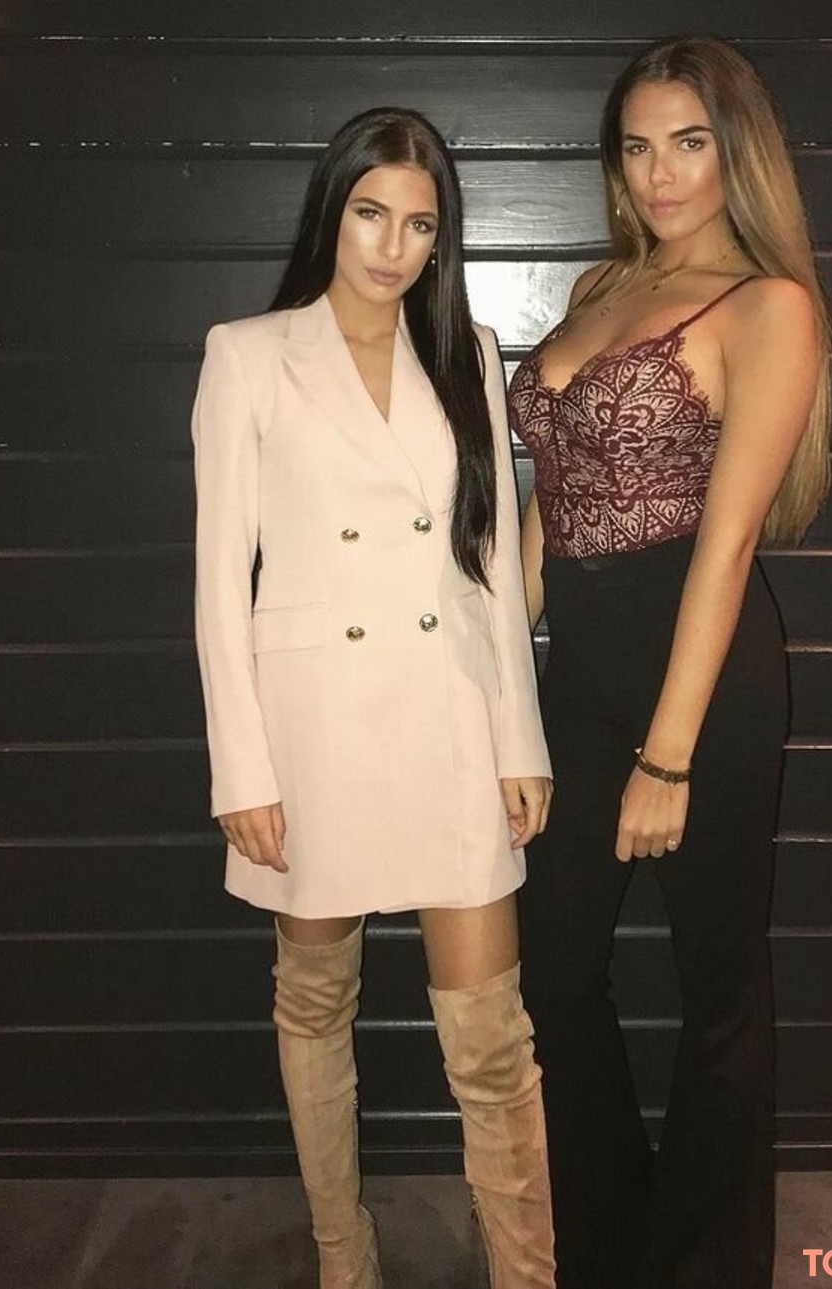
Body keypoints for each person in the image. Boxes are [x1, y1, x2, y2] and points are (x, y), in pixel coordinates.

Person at [191, 106, 556, 1289]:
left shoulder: (465, 352)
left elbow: (487, 559)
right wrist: (242, 768)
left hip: (450, 717)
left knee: (493, 1038)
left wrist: (521, 738)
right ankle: (343, 1257)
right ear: (331, 211)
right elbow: (219, 580)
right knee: (315, 1004)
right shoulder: (249, 354)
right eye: (370, 214)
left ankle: (527, 1270)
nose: (393, 246)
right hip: (316, 734)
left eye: (420, 225)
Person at [509, 36, 832, 1289]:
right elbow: (550, 501)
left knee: (720, 987)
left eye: (689, 143)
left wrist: (669, 755)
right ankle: (611, 1238)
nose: (660, 173)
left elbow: (728, 538)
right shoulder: (605, 285)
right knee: (553, 969)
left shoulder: (768, 305)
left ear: (737, 152)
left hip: (701, 673)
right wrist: (498, 670)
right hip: (581, 670)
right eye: (638, 146)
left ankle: (705, 1263)